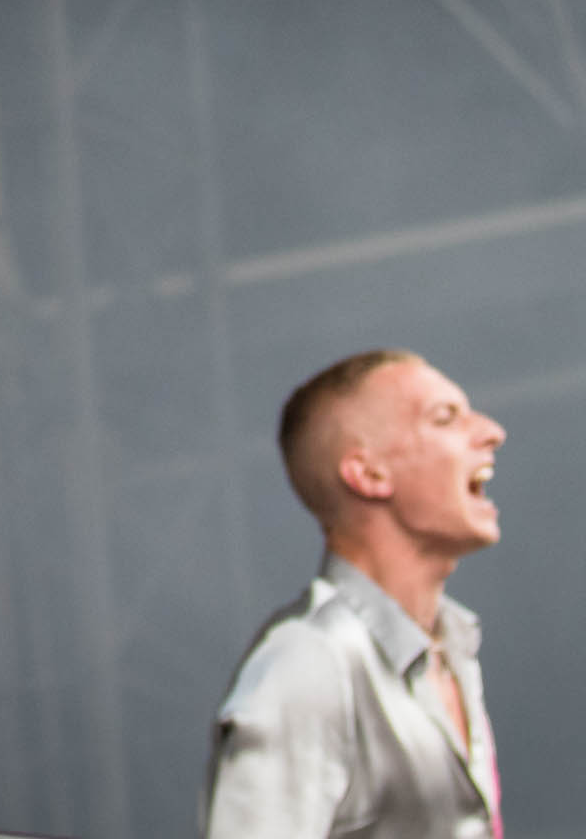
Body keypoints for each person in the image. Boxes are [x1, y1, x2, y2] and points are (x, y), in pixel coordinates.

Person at [203, 349, 507, 839]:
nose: (491, 431)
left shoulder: (454, 649)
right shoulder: (310, 660)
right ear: (368, 474)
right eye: (445, 417)